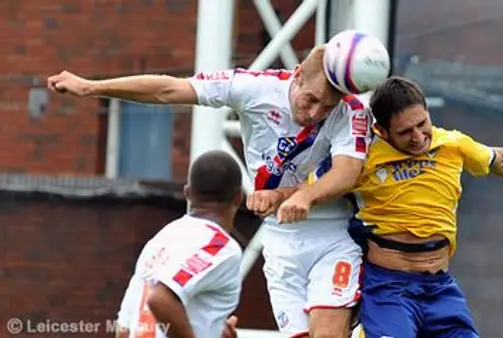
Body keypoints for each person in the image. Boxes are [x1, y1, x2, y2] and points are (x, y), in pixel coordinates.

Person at [48, 45, 373, 338]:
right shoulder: (254, 87)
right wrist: (90, 87)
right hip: (280, 241)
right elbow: (167, 89)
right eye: (311, 100)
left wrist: (303, 196)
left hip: (333, 235)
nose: (315, 114)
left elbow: (346, 172)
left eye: (326, 108)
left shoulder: (351, 110)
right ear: (298, 75)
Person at [308, 76, 503, 337]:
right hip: (389, 288)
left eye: (421, 124)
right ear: (382, 132)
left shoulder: (451, 143)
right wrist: (284, 196)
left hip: (440, 287)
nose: (418, 137)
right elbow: (315, 186)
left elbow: (501, 160)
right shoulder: (361, 159)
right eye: (405, 132)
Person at [114, 150, 243, 338]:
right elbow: (160, 299)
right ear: (239, 197)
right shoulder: (221, 248)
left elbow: (123, 329)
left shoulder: (160, 240)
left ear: (187, 193)